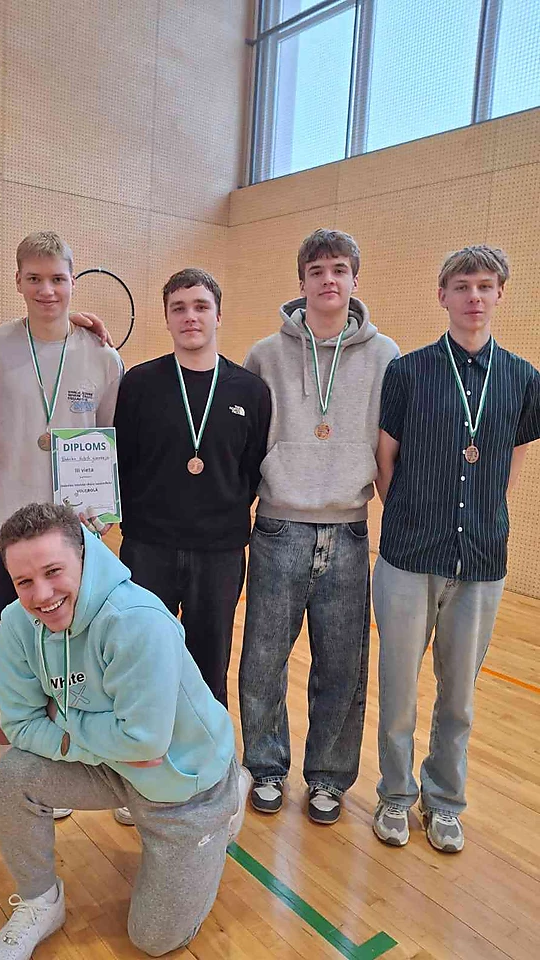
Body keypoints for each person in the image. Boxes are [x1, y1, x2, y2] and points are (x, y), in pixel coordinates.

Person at [0, 502, 251, 960]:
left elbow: (146, 743)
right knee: (10, 779)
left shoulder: (135, 620)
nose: (41, 595)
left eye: (53, 571)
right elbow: (18, 724)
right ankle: (40, 903)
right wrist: (104, 740)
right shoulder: (16, 622)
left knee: (154, 939)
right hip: (115, 766)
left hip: (181, 784)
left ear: (84, 557)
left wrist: (60, 722)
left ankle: (228, 794)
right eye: (24, 581)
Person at [0, 232, 123, 820]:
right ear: (18, 281)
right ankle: (13, 772)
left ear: (74, 281)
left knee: (78, 654)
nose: (47, 290)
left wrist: (103, 517)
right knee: (10, 653)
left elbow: (110, 444)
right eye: (35, 279)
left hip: (75, 539)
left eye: (58, 279)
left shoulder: (102, 356)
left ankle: (67, 768)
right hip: (3, 534)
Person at [372, 245, 540, 853]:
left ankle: (444, 802)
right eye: (463, 285)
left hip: (482, 562)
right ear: (442, 295)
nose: (474, 296)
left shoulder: (523, 378)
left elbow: (512, 459)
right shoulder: (408, 371)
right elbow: (385, 460)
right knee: (398, 692)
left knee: (459, 698)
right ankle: (395, 795)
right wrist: (417, 518)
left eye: (485, 286)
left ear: (500, 295)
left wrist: (482, 515)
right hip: (408, 557)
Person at [239, 228, 399, 822]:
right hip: (278, 527)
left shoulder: (385, 355)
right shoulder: (264, 354)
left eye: (339, 270)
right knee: (263, 661)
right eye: (317, 270)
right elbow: (248, 441)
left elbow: (391, 443)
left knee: (342, 665)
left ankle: (329, 777)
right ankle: (265, 767)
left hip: (350, 531)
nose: (328, 280)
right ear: (301, 280)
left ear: (355, 278)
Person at [114, 267, 271, 709]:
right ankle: (145, 744)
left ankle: (209, 747)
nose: (190, 316)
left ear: (218, 316)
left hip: (219, 553)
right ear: (166, 318)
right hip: (148, 548)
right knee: (145, 659)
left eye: (201, 306)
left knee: (210, 666)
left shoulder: (251, 390)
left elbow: (253, 467)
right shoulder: (139, 384)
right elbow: (123, 459)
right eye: (178, 308)